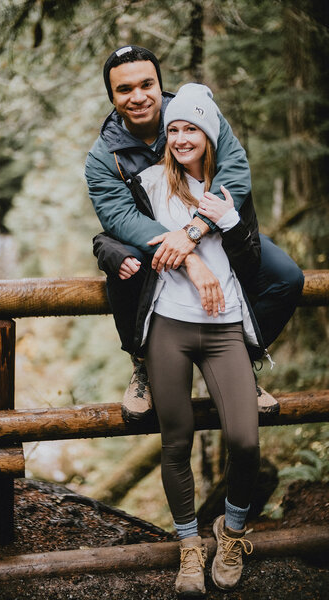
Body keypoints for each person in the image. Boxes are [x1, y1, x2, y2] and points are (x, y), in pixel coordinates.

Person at [85, 45, 304, 421]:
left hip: (215, 232)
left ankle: (240, 358)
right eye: (124, 89)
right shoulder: (105, 156)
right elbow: (119, 216)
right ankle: (145, 365)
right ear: (112, 96)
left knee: (286, 278)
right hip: (154, 244)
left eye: (146, 84)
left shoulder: (196, 112)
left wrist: (195, 231)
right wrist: (186, 255)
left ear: (159, 83)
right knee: (125, 265)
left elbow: (234, 170)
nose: (138, 97)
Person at [135, 82, 258, 595]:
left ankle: (230, 532)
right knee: (176, 442)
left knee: (245, 441)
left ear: (210, 134)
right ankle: (189, 547)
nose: (182, 137)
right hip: (170, 325)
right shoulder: (149, 184)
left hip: (225, 327)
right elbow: (116, 232)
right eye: (174, 129)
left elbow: (251, 257)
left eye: (192, 128)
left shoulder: (229, 188)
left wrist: (226, 224)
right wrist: (190, 255)